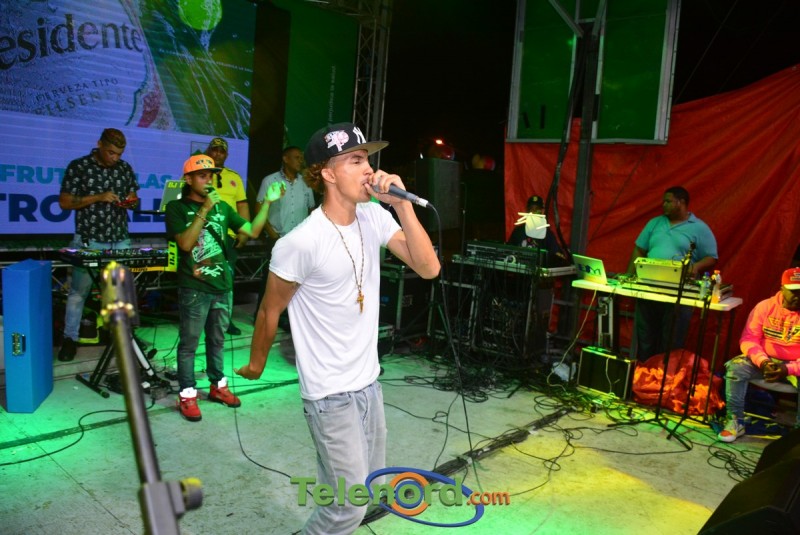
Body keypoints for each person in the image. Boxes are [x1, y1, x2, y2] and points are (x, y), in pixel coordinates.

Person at [235, 123, 440, 533]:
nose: (369, 169)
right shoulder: (300, 242)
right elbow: (269, 311)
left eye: (368, 159)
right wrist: (255, 365)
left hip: (369, 384)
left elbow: (428, 268)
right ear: (327, 173)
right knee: (346, 509)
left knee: (370, 488)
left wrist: (402, 207)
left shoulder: (373, 216)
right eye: (356, 160)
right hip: (330, 395)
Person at [165, 154, 282, 422]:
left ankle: (218, 386)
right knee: (189, 344)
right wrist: (205, 209)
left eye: (211, 176)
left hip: (222, 286)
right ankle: (187, 394)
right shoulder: (177, 208)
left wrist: (268, 203)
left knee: (217, 341)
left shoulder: (223, 208)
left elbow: (251, 230)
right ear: (188, 179)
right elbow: (185, 244)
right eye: (202, 176)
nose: (208, 180)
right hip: (194, 287)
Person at [57, 128, 139, 362]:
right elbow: (64, 202)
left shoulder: (124, 168)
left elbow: (134, 197)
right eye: (111, 153)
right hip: (89, 238)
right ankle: (70, 339)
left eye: (119, 154)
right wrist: (99, 196)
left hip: (119, 238)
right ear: (99, 144)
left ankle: (120, 336)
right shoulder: (79, 166)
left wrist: (130, 202)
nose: (115, 158)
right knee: (78, 292)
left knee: (118, 292)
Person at [626, 186, 718, 361]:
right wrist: (629, 275)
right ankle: (644, 373)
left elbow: (711, 257)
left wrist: (695, 267)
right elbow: (639, 249)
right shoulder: (655, 223)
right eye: (664, 201)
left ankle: (665, 374)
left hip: (678, 294)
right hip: (648, 289)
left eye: (668, 201)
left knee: (671, 341)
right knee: (645, 338)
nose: (664, 205)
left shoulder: (699, 228)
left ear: (680, 202)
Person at [718, 268, 800, 442]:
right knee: (736, 368)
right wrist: (763, 362)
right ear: (782, 288)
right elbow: (749, 340)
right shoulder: (765, 307)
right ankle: (735, 421)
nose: (798, 296)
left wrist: (789, 369)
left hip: (795, 365)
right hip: (765, 360)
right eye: (794, 291)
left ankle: (796, 438)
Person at [253, 145, 316, 324]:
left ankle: (289, 317)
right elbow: (259, 207)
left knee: (297, 280)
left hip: (300, 240)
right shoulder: (270, 180)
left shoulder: (306, 182)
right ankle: (261, 316)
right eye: (296, 157)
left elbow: (311, 209)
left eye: (301, 158)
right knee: (272, 279)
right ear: (285, 159)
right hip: (278, 238)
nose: (300, 161)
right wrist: (272, 235)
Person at [206, 137, 250, 336]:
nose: (217, 154)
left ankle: (225, 319)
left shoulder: (234, 177)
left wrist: (244, 232)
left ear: (226, 155)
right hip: (204, 236)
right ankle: (202, 318)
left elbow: (242, 205)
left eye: (221, 151)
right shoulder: (198, 174)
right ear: (208, 152)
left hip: (228, 237)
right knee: (203, 278)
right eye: (214, 150)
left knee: (227, 279)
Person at [507, 194, 563, 258]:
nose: (533, 212)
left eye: (537, 209)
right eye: (531, 209)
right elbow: (508, 252)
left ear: (542, 211)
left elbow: (556, 256)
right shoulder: (518, 231)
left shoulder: (547, 234)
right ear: (527, 211)